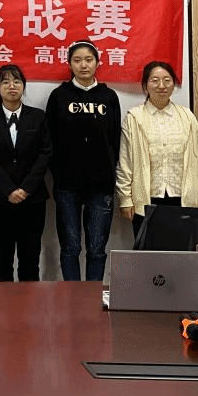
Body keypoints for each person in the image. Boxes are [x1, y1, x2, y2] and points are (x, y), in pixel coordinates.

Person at [45, 39, 121, 282]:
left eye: (88, 60)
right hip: (67, 186)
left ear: (98, 63)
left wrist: (109, 173)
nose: (83, 65)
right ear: (69, 64)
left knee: (97, 249)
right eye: (77, 60)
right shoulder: (59, 96)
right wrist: (59, 172)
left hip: (101, 186)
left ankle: (92, 297)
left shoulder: (109, 97)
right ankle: (72, 298)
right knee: (71, 248)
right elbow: (49, 140)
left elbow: (115, 140)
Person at [0, 64, 51, 282]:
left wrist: (25, 188)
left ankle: (29, 303)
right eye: (6, 82)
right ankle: (2, 303)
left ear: (23, 86)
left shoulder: (38, 117)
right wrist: (8, 189)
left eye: (17, 81)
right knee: (2, 258)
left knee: (30, 259)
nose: (12, 86)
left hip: (33, 199)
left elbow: (45, 154)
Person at [117, 60, 198, 235]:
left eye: (167, 80)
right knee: (148, 249)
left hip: (183, 199)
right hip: (146, 200)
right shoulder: (135, 117)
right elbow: (125, 161)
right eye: (155, 80)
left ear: (174, 84)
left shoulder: (187, 117)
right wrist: (125, 198)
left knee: (180, 248)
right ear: (146, 84)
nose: (161, 86)